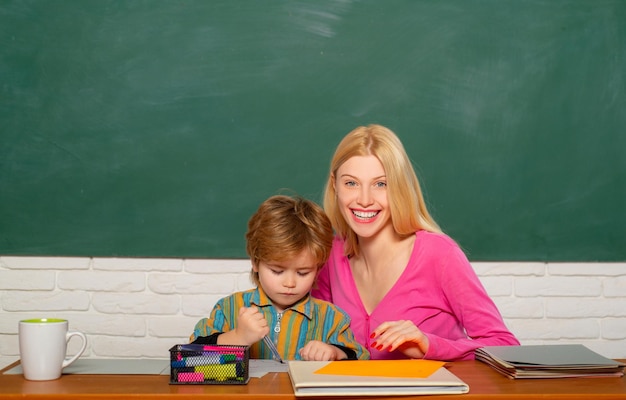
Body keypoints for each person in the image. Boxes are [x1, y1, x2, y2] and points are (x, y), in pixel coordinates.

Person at [311, 124, 519, 361]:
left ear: (399, 186)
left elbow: (505, 346)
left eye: (381, 184)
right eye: (351, 183)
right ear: (334, 185)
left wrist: (429, 346)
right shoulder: (330, 256)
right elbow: (315, 333)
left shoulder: (439, 254)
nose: (364, 200)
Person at [190, 194, 369, 361]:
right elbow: (189, 359)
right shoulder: (230, 309)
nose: (289, 283)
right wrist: (237, 337)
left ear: (318, 268)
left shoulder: (331, 318)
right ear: (256, 262)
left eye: (303, 273)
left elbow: (361, 359)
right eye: (277, 271)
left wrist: (335, 352)